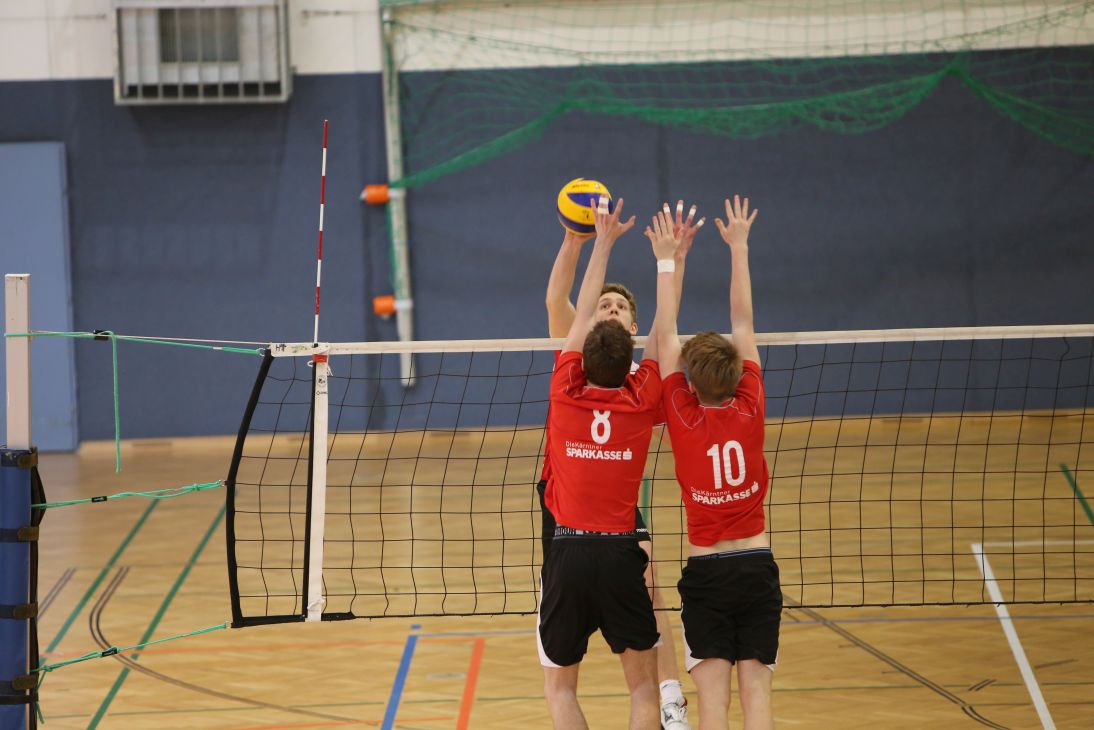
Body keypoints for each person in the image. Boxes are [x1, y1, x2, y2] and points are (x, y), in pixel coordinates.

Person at [540, 199, 702, 729]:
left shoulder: (567, 382)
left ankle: (672, 694)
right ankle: (665, 694)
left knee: (563, 685)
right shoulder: (644, 389)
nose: (608, 310)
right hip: (587, 520)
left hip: (585, 528)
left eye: (618, 307)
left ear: (632, 325)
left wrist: (598, 243)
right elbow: (664, 330)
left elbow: (652, 328)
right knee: (639, 680)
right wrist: (670, 261)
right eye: (604, 305)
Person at [646, 196, 781, 730]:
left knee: (713, 704)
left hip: (707, 573)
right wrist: (739, 246)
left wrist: (668, 259)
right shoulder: (751, 404)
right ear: (736, 374)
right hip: (756, 567)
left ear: (691, 381)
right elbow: (743, 320)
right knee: (757, 696)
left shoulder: (682, 415)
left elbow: (666, 335)